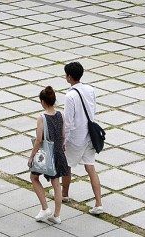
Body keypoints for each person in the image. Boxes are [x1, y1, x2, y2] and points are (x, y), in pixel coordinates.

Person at [62, 62, 104, 215]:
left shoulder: (70, 95)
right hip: (90, 136)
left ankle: (64, 194)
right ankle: (98, 203)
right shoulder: (90, 89)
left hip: (76, 137)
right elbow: (92, 110)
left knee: (67, 166)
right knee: (90, 167)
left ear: (69, 77)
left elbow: (68, 122)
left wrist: (63, 141)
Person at [29, 86, 68, 224]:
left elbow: (39, 140)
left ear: (43, 102)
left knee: (34, 177)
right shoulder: (61, 114)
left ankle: (45, 207)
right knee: (56, 184)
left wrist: (31, 156)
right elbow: (63, 135)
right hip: (58, 152)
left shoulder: (41, 117)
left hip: (46, 154)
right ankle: (56, 215)